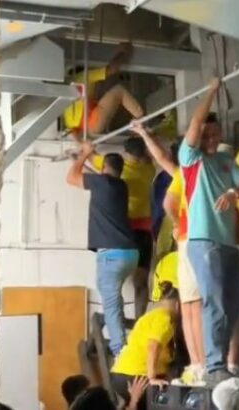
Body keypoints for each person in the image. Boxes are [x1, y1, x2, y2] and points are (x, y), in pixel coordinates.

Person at [178, 78, 239, 386]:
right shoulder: (191, 160)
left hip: (228, 243)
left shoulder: (224, 159)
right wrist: (210, 91)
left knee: (233, 305)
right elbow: (195, 123)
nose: (209, 138)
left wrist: (233, 193)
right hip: (203, 242)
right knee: (215, 302)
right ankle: (214, 365)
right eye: (205, 134)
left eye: (214, 134)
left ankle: (222, 363)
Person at [131, 122, 205, 386]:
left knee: (193, 306)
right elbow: (162, 158)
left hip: (192, 242)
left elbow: (162, 159)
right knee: (193, 306)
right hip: (193, 243)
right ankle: (199, 365)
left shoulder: (193, 173)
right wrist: (144, 133)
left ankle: (201, 365)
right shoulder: (190, 173)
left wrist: (144, 133)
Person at [67, 142, 138, 356]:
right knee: (112, 298)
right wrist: (79, 161)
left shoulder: (103, 183)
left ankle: (120, 352)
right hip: (129, 253)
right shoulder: (119, 185)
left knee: (111, 303)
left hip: (112, 255)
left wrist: (84, 155)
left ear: (105, 168)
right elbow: (93, 178)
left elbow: (71, 178)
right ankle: (114, 333)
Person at [91, 137, 156, 319]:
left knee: (114, 279)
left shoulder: (120, 169)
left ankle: (115, 319)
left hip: (123, 229)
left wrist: (80, 141)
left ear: (126, 153)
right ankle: (139, 320)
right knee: (141, 280)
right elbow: (150, 157)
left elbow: (91, 156)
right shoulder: (149, 170)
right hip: (144, 230)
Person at [111, 282, 180, 410]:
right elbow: (153, 346)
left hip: (122, 373)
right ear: (177, 305)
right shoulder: (164, 318)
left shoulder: (149, 317)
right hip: (137, 375)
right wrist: (152, 378)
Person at [62, 42, 144, 135]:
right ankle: (140, 118)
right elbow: (111, 69)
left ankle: (138, 122)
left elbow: (73, 131)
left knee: (108, 96)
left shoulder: (67, 90)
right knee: (118, 91)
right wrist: (123, 52)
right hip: (91, 123)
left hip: (87, 127)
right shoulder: (84, 76)